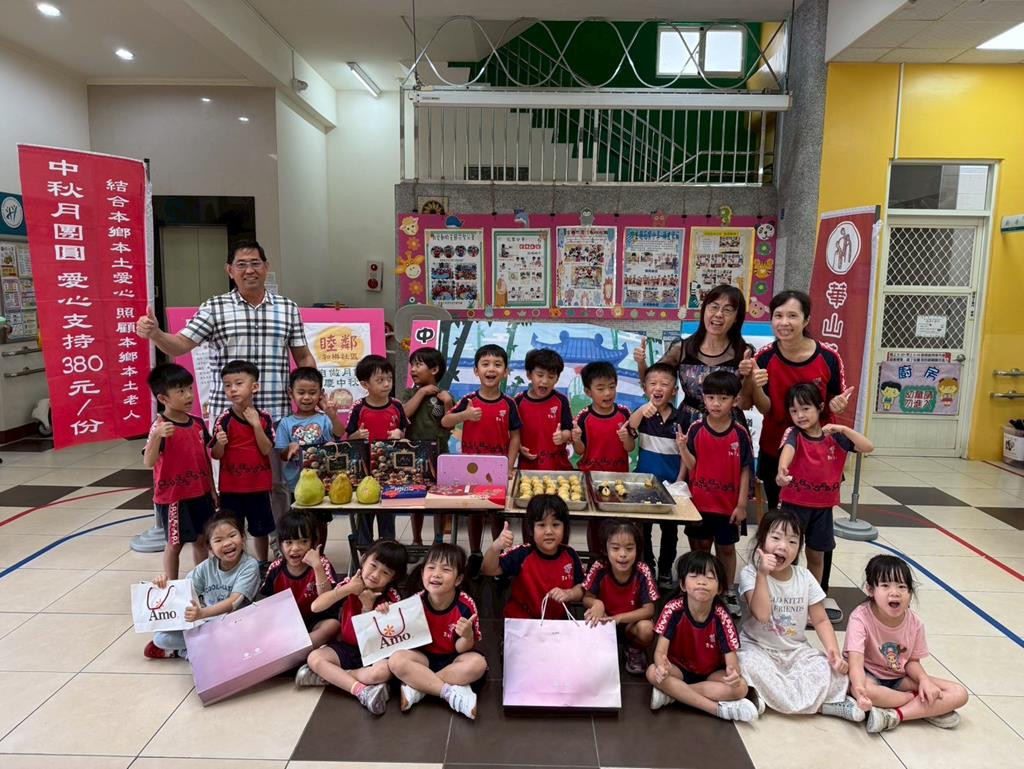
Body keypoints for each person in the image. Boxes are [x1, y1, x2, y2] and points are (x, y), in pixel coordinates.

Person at [135, 239, 315, 531]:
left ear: (266, 267)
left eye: (255, 263)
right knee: (229, 485)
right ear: (230, 270)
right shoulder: (214, 307)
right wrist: (156, 333)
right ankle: (233, 544)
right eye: (241, 265)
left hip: (275, 415)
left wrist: (315, 392)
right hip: (227, 419)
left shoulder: (287, 308)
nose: (249, 270)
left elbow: (303, 355)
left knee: (277, 484)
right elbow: (180, 344)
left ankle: (281, 542)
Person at [747, 289, 854, 621]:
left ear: (806, 319)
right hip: (777, 450)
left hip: (821, 457)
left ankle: (819, 595)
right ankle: (779, 592)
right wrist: (754, 384)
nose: (784, 322)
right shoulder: (764, 357)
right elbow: (764, 408)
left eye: (792, 315)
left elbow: (836, 401)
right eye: (778, 315)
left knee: (820, 528)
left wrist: (837, 405)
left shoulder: (828, 357)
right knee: (781, 526)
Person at [735, 509, 864, 722]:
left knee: (832, 670)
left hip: (795, 651)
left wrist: (833, 653)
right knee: (743, 663)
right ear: (762, 541)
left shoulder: (804, 577)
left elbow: (820, 619)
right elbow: (762, 615)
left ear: (799, 548)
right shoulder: (750, 573)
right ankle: (821, 704)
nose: (783, 546)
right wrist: (763, 575)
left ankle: (764, 697)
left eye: (792, 541)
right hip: (758, 648)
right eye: (776, 538)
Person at [845, 555, 968, 733]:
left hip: (898, 678)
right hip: (868, 674)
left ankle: (893, 716)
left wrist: (924, 681)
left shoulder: (915, 623)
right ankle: (921, 706)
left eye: (902, 586)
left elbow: (911, 662)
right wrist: (858, 689)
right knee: (866, 690)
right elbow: (855, 662)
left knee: (959, 692)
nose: (895, 592)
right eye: (885, 585)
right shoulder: (860, 617)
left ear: (910, 593)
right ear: (870, 590)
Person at [776, 383, 874, 587]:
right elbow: (788, 450)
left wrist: (843, 428)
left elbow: (868, 447)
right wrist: (782, 469)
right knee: (788, 553)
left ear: (820, 407)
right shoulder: (793, 433)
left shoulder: (835, 436)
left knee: (816, 555)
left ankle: (814, 594)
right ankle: (785, 591)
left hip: (823, 508)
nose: (800, 415)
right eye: (794, 411)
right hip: (793, 506)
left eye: (805, 408)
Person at [296, 539, 408, 715]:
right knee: (315, 658)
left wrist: (367, 607)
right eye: (373, 566)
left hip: (375, 652)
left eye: (385, 572)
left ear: (393, 577)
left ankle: (330, 677)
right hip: (348, 646)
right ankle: (363, 691)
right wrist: (347, 589)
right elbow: (316, 607)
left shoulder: (393, 597)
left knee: (382, 672)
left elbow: (373, 641)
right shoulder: (352, 582)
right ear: (363, 560)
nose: (375, 575)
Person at [647, 551, 757, 722]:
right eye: (694, 576)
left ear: (720, 588)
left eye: (710, 577)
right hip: (679, 670)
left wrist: (733, 674)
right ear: (683, 585)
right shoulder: (673, 609)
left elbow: (731, 661)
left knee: (741, 688)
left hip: (711, 673)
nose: (702, 581)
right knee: (652, 672)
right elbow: (660, 651)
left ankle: (673, 695)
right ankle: (717, 709)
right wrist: (661, 667)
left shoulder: (722, 617)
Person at [442, 344, 522, 575]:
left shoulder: (509, 403)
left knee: (497, 513)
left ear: (505, 372)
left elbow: (516, 437)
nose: (491, 369)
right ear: (476, 371)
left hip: (498, 469)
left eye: (497, 364)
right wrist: (465, 415)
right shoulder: (468, 400)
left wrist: (509, 466)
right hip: (471, 469)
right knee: (474, 512)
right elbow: (445, 422)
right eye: (485, 364)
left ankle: (499, 554)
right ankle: (476, 553)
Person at [679, 370, 754, 616]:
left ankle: (727, 590)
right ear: (703, 398)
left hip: (727, 506)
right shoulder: (696, 428)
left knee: (726, 549)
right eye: (710, 397)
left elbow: (745, 470)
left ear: (735, 400)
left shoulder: (740, 433)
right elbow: (692, 466)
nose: (716, 403)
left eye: (723, 398)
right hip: (699, 504)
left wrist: (741, 505)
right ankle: (697, 589)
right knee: (699, 548)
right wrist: (682, 448)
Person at [388, 543, 487, 720]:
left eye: (446, 569)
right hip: (423, 658)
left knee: (478, 664)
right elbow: (403, 639)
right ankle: (449, 692)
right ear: (422, 573)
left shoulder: (466, 605)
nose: (436, 574)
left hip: (453, 658)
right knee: (396, 660)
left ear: (458, 579)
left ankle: (420, 687)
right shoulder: (415, 602)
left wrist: (467, 636)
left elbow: (461, 648)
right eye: (431, 567)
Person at [144, 511, 260, 659]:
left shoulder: (249, 566)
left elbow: (234, 601)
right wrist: (163, 585)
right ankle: (198, 649)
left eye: (232, 535)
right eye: (218, 540)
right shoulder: (205, 567)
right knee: (161, 638)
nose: (227, 543)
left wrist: (202, 613)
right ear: (210, 548)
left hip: (236, 626)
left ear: (242, 537)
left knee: (228, 643)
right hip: (206, 624)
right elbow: (182, 592)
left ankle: (183, 652)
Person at [635, 284, 756, 423]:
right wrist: (641, 363)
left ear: (736, 317)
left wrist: (748, 376)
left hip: (728, 426)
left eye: (727, 310)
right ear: (704, 310)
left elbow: (745, 404)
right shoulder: (682, 349)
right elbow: (648, 383)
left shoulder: (744, 353)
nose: (719, 314)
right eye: (714, 307)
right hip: (687, 423)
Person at [143, 363, 216, 580]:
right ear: (163, 398)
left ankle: (202, 581)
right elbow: (149, 461)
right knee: (175, 544)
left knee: (202, 539)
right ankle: (173, 585)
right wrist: (157, 436)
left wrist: (212, 490)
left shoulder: (197, 423)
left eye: (189, 389)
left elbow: (204, 459)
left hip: (201, 493)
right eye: (181, 391)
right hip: (174, 498)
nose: (189, 395)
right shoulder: (160, 426)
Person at [628, 362, 690, 586]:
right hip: (644, 483)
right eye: (653, 383)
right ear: (645, 388)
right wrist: (642, 409)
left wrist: (680, 480)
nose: (658, 388)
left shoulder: (682, 418)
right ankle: (647, 565)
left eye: (664, 384)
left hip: (671, 484)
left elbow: (684, 453)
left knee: (670, 531)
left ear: (674, 390)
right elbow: (630, 427)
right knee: (643, 529)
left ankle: (664, 569)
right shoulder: (643, 414)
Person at [211, 360, 275, 562]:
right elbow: (216, 454)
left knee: (260, 530)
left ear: (254, 387)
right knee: (231, 531)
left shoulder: (264, 418)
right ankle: (235, 565)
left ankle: (263, 562)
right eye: (227, 385)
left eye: (239, 383)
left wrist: (256, 425)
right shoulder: (224, 419)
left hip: (258, 486)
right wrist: (220, 443)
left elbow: (266, 449)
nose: (233, 389)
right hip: (231, 488)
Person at [481, 494, 584, 619]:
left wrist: (569, 593)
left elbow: (582, 588)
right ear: (530, 529)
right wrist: (495, 547)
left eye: (555, 524)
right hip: (521, 620)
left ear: (565, 528)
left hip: (556, 623)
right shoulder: (522, 554)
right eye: (541, 525)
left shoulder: (570, 555)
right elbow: (488, 570)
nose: (549, 531)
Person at [275, 367, 345, 546]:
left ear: (321, 393)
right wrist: (290, 448)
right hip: (296, 484)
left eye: (312, 393)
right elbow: (282, 455)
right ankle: (302, 553)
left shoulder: (324, 419)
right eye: (301, 392)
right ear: (290, 393)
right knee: (300, 524)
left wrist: (332, 415)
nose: (306, 397)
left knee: (320, 522)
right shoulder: (285, 423)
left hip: (323, 482)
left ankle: (319, 553)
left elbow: (339, 434)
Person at [570, 361, 634, 551]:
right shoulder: (583, 417)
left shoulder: (624, 414)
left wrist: (626, 438)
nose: (607, 393)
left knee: (619, 524)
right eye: (600, 388)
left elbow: (630, 447)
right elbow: (580, 451)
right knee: (595, 524)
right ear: (588, 392)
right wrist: (576, 439)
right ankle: (595, 559)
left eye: (611, 387)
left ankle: (616, 558)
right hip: (591, 479)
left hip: (619, 479)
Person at [346, 354, 409, 545]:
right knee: (364, 508)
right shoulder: (358, 408)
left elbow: (405, 434)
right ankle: (364, 548)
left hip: (390, 469)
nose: (387, 384)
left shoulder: (397, 405)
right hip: (365, 469)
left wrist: (399, 434)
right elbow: (348, 438)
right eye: (380, 380)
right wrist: (357, 436)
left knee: (388, 509)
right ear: (365, 384)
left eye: (389, 378)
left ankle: (387, 546)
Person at [582, 520, 658, 675]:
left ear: (637, 549)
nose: (623, 554)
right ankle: (602, 651)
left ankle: (634, 649)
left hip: (631, 625)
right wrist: (597, 604)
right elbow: (586, 598)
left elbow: (649, 609)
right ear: (605, 549)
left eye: (629, 548)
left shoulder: (642, 570)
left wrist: (619, 618)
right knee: (589, 618)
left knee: (647, 629)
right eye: (615, 548)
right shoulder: (599, 567)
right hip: (604, 621)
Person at [259, 510, 340, 649]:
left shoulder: (322, 564)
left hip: (316, 621)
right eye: (289, 542)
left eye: (303, 541)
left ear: (313, 543)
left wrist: (317, 567)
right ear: (280, 544)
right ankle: (297, 648)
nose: (295, 548)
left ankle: (294, 650)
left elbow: (326, 597)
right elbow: (267, 604)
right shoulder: (275, 568)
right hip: (287, 623)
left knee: (333, 626)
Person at [403, 347, 454, 546]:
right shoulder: (410, 393)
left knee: (440, 499)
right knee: (416, 499)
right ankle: (416, 539)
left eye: (418, 365)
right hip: (414, 454)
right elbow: (404, 414)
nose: (413, 369)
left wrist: (448, 403)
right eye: (412, 365)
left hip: (440, 454)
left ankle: (438, 540)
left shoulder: (445, 395)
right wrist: (422, 392)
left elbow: (449, 424)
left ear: (434, 369)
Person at [514, 348, 573, 472]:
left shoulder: (561, 400)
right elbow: (512, 435)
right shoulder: (518, 402)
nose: (545, 381)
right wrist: (519, 447)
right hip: (528, 469)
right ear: (529, 374)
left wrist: (563, 436)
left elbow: (568, 430)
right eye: (540, 375)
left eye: (551, 377)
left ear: (557, 379)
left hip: (558, 468)